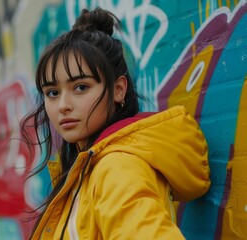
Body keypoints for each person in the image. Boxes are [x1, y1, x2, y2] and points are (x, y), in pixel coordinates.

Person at [20, 7, 211, 239]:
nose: (63, 105)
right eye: (52, 92)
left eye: (80, 87)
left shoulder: (116, 168)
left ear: (118, 90)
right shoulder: (88, 168)